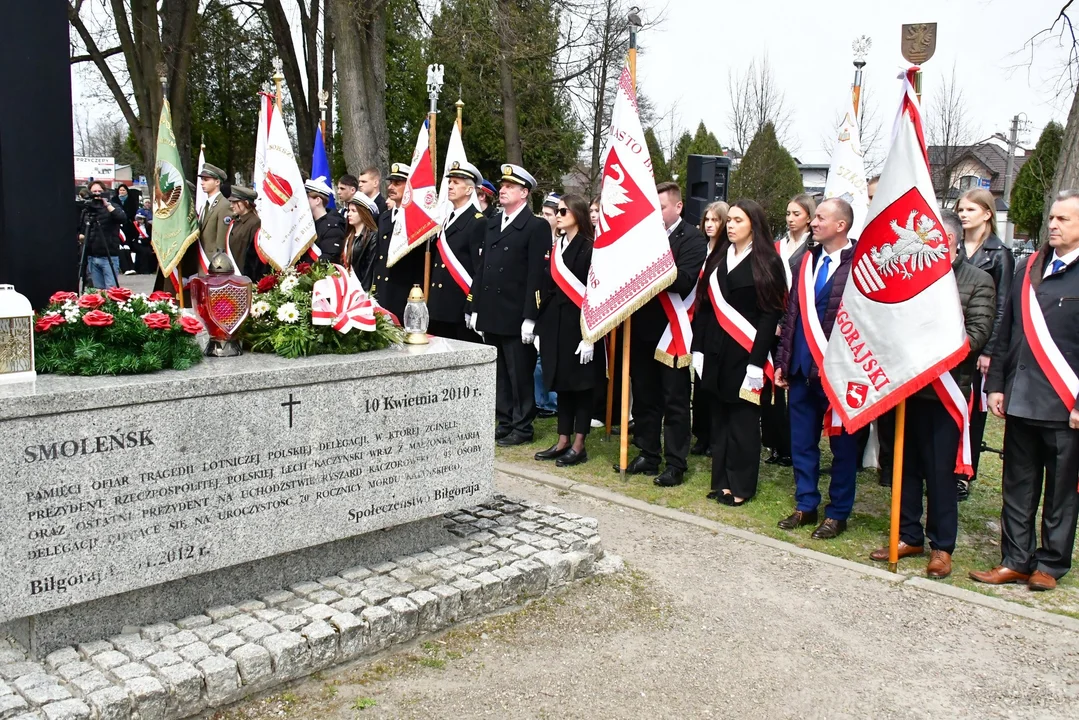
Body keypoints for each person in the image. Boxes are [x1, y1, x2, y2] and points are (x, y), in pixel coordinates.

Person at [866, 210, 994, 577]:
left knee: (940, 474)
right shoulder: (911, 274)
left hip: (945, 394)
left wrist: (925, 349)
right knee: (905, 468)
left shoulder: (978, 280)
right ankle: (908, 535)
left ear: (948, 240)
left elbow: (977, 334)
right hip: (906, 391)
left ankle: (941, 546)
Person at [972, 190, 1079, 592]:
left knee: (1060, 491)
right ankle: (1015, 560)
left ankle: (1049, 564)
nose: (1053, 225)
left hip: (1064, 404)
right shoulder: (1029, 266)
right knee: (1017, 486)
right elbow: (1007, 331)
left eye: (1063, 219)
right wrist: (996, 385)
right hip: (1020, 397)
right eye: (1052, 218)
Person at [774, 199, 861, 539]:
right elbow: (791, 315)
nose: (814, 222)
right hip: (800, 368)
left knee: (843, 448)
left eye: (822, 218)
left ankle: (837, 513)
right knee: (802, 443)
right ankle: (806, 503)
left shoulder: (861, 265)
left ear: (841, 225)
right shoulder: (806, 261)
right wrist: (783, 362)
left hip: (838, 375)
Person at [692, 199, 785, 505]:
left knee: (743, 421)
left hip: (746, 353)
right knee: (719, 418)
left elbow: (770, 315)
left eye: (738, 220)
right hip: (715, 350)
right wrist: (698, 348)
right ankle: (721, 482)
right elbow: (705, 306)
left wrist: (757, 363)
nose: (730, 226)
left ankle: (741, 487)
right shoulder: (719, 256)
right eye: (729, 220)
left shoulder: (767, 261)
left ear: (753, 225)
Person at [623, 182, 707, 487]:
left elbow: (684, 281)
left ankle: (675, 463)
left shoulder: (693, 238)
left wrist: (649, 267)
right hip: (641, 328)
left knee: (675, 400)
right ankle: (648, 452)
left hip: (672, 331)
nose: (655, 214)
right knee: (644, 397)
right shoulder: (643, 237)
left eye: (660, 207)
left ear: (678, 207)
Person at [468, 163, 550, 446]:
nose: (502, 190)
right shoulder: (492, 223)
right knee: (500, 372)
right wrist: (475, 307)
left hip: (516, 313)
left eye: (510, 187)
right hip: (492, 309)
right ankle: (504, 421)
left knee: (519, 374)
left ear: (524, 193)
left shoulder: (536, 226)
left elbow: (537, 275)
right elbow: (483, 269)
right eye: (502, 186)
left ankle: (522, 426)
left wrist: (531, 316)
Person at [955, 187, 1015, 500]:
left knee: (973, 411)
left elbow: (1003, 305)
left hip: (978, 344)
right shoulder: (953, 246)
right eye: (961, 209)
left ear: (987, 214)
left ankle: (964, 473)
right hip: (949, 340)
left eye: (970, 210)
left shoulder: (999, 254)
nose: (963, 215)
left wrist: (990, 350)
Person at [533, 194, 602, 467]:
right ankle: (563, 439)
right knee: (562, 384)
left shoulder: (590, 248)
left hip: (579, 325)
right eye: (557, 211)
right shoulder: (557, 246)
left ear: (577, 213)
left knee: (581, 386)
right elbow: (546, 286)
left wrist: (590, 336)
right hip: (555, 324)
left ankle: (579, 443)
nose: (558, 215)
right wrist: (540, 327)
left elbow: (595, 294)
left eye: (564, 211)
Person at [763, 193, 816, 466]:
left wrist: (785, 323)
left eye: (797, 214)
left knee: (794, 386)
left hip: (798, 322)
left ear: (808, 217)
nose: (791, 219)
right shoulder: (778, 246)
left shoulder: (813, 248)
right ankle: (775, 443)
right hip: (774, 319)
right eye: (788, 214)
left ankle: (793, 446)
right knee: (772, 384)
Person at [428, 160, 486, 341]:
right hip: (439, 306)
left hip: (458, 307)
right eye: (449, 181)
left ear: (469, 190)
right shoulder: (448, 219)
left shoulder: (477, 222)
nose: (450, 186)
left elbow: (479, 269)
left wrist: (472, 304)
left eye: (456, 182)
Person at [690, 201, 729, 457]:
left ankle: (716, 436)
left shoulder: (726, 252)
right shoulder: (701, 248)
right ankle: (701, 434)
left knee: (714, 381)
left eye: (715, 220)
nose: (710, 225)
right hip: (697, 320)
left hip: (717, 321)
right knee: (700, 381)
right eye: (707, 220)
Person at [370, 162, 425, 321]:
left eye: (397, 183)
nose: (391, 187)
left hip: (402, 291)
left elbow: (419, 262)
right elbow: (380, 256)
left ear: (409, 187)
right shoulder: (384, 217)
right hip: (382, 290)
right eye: (391, 183)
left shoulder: (416, 220)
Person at [534, 192, 562, 419]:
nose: (544, 218)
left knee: (548, 357)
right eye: (542, 213)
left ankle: (552, 401)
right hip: (538, 303)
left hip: (556, 305)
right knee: (537, 357)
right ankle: (539, 400)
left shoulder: (560, 243)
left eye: (549, 214)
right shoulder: (539, 238)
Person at [79, 180, 126, 289]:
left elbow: (122, 218)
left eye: (99, 191)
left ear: (104, 192)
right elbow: (81, 229)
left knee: (111, 290)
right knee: (98, 291)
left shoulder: (112, 206)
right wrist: (81, 237)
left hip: (109, 256)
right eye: (94, 191)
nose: (97, 194)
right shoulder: (87, 210)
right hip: (92, 256)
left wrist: (107, 204)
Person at [341, 193, 380, 285]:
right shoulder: (349, 236)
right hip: (349, 285)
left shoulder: (373, 236)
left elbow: (370, 268)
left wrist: (364, 290)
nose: (349, 214)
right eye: (349, 210)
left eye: (353, 211)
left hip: (362, 287)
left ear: (363, 213)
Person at [306, 176, 346, 263]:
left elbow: (330, 258)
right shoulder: (309, 223)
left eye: (307, 197)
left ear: (317, 200)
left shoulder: (332, 226)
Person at [225, 186, 261, 278]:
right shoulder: (235, 221)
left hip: (244, 276)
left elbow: (254, 256)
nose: (231, 205)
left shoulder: (255, 223)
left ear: (246, 203)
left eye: (235, 202)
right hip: (233, 274)